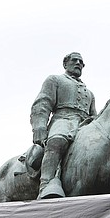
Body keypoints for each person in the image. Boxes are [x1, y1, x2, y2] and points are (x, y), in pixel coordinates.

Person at [30, 52, 96, 199]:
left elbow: (94, 116)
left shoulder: (89, 93)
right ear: (65, 64)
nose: (79, 63)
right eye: (75, 60)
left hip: (84, 124)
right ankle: (45, 185)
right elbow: (43, 103)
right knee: (57, 141)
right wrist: (39, 126)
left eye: (81, 62)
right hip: (62, 119)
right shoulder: (55, 80)